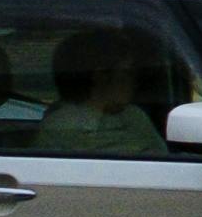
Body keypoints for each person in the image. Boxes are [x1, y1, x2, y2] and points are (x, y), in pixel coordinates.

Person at [34, 26, 169, 157]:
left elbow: (162, 160)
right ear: (101, 76)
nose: (134, 80)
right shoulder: (61, 126)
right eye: (127, 72)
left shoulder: (135, 117)